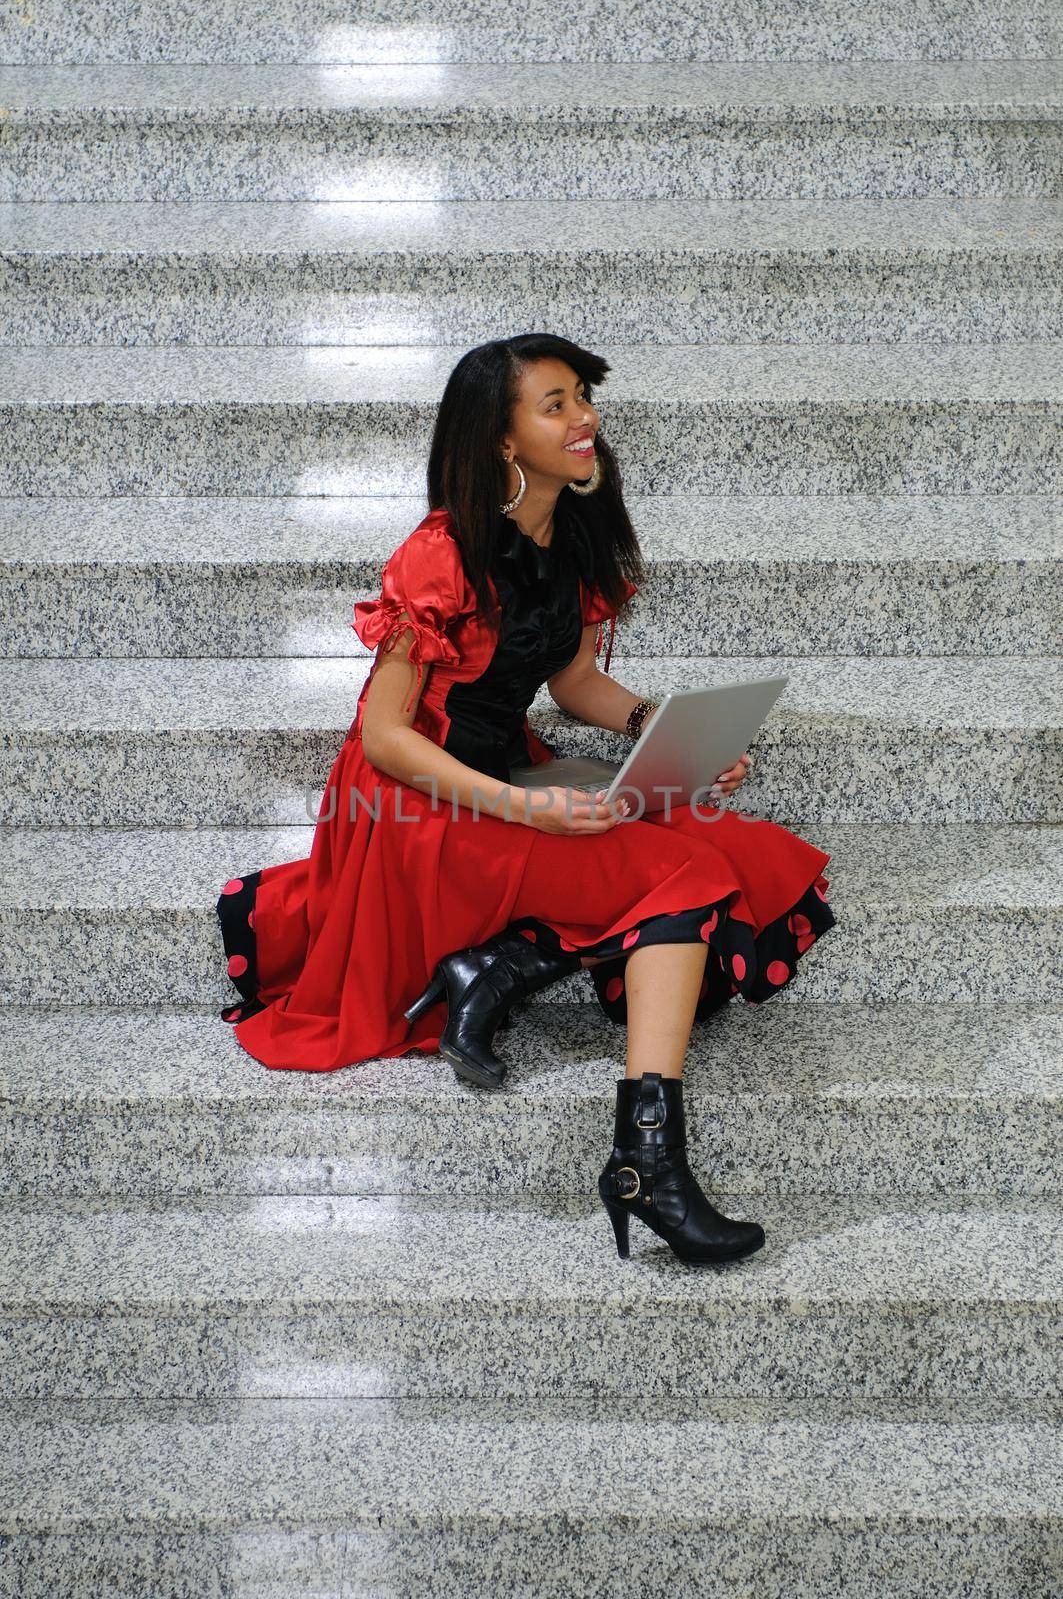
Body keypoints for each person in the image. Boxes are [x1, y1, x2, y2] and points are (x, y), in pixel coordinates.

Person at [216, 332, 836, 1266]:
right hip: (415, 804)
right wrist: (528, 809)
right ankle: (646, 1164)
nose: (584, 417)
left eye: (581, 395)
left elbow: (577, 682)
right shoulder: (440, 554)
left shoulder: (573, 535)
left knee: (739, 848)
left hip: (508, 772)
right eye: (555, 404)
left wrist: (660, 734)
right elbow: (385, 736)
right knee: (683, 875)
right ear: (503, 439)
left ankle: (507, 967)